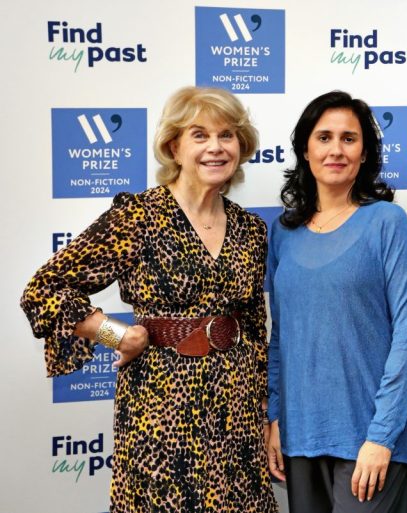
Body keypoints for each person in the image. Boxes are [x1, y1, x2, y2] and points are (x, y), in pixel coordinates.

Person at [20, 86, 277, 512]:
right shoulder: (138, 216)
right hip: (160, 407)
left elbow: (252, 324)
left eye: (227, 135)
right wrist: (114, 334)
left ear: (241, 146)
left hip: (238, 408)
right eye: (200, 135)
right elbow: (43, 290)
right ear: (174, 146)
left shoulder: (251, 229)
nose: (216, 147)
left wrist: (268, 409)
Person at [264, 91, 407, 513]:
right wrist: (277, 419)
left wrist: (382, 436)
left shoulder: (387, 223)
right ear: (305, 148)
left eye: (349, 138)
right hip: (301, 438)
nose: (336, 149)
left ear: (365, 151)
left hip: (369, 439)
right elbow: (281, 336)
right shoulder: (283, 233)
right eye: (324, 137)